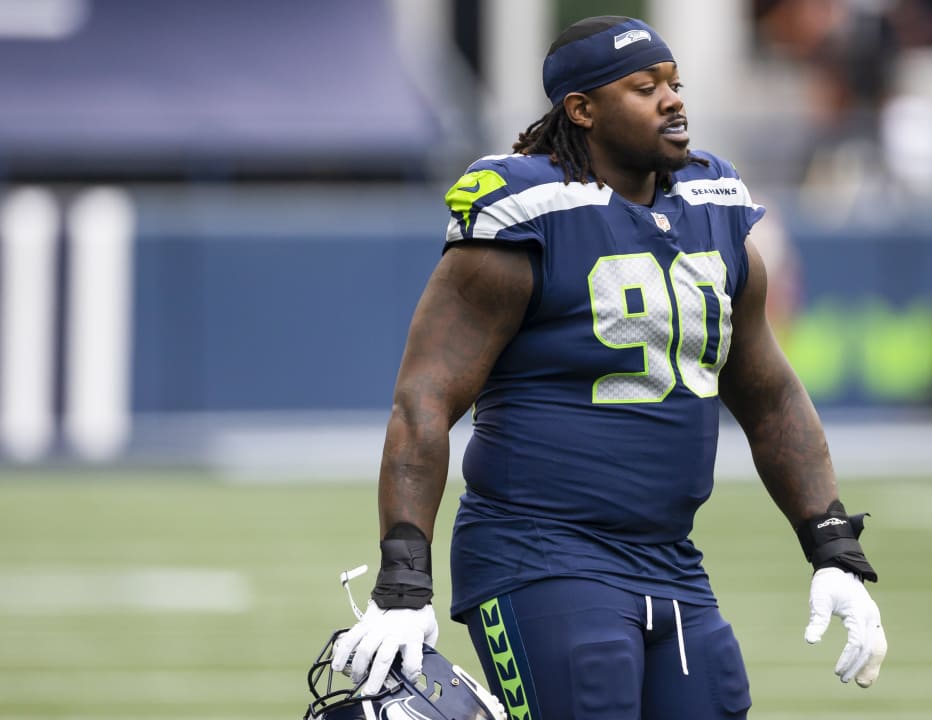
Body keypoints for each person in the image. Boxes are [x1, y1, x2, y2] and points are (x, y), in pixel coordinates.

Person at [332, 16, 887, 719]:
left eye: (674, 83)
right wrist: (404, 581)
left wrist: (831, 543)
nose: (673, 100)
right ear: (582, 109)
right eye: (644, 87)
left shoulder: (714, 203)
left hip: (671, 557)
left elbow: (769, 394)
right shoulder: (527, 211)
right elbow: (424, 400)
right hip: (539, 554)